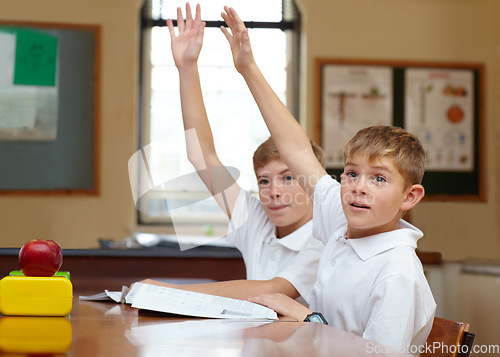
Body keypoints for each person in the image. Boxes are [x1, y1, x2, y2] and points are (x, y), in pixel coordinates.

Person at [220, 6, 436, 351]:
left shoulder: (397, 272)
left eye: (379, 179)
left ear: (409, 197)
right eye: (351, 173)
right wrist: (248, 68)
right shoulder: (342, 218)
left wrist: (308, 319)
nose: (359, 187)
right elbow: (296, 150)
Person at [141, 3, 326, 304]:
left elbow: (273, 291)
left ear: (312, 181)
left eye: (287, 178)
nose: (274, 192)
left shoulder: (325, 235)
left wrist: (168, 292)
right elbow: (203, 158)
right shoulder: (256, 221)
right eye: (264, 181)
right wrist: (186, 68)